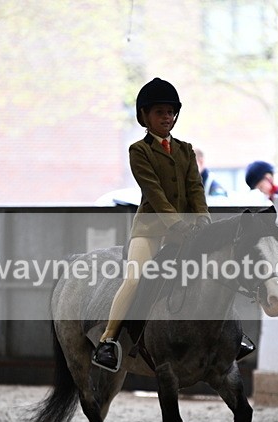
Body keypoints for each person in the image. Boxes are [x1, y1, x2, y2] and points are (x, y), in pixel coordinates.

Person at [92, 78, 210, 372]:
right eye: (160, 112)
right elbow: (155, 194)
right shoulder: (139, 151)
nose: (167, 118)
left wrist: (204, 219)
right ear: (145, 116)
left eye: (170, 112)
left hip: (184, 231)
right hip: (150, 231)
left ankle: (226, 336)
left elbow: (196, 189)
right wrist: (178, 225)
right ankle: (108, 340)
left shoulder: (185, 150)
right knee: (134, 279)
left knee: (209, 275)